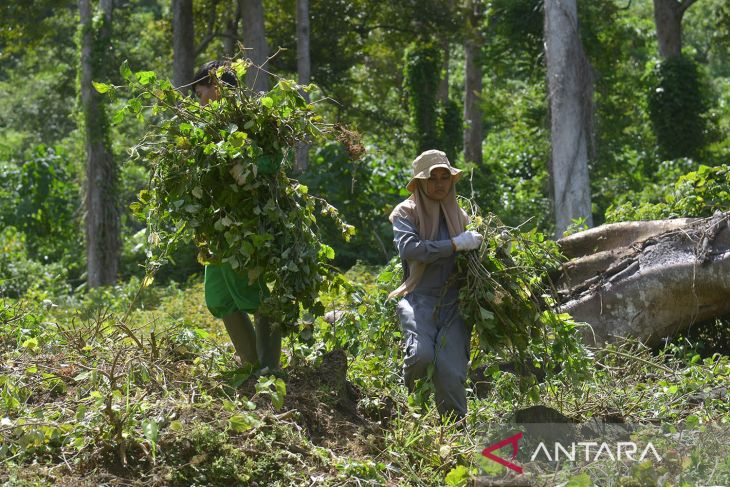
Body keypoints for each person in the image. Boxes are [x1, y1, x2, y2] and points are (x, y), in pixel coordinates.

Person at [191, 60, 281, 372]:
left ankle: (269, 369)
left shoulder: (252, 119)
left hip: (247, 222)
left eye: (201, 95)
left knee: (250, 293)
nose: (199, 103)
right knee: (218, 296)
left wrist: (252, 168)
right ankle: (252, 365)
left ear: (217, 89)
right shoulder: (202, 130)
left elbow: (275, 159)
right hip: (215, 223)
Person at [389, 149, 483, 419]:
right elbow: (410, 249)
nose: (440, 183)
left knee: (451, 371)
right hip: (420, 298)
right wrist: (454, 244)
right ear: (420, 182)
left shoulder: (460, 216)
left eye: (445, 177)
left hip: (455, 303)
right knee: (421, 356)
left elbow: (476, 253)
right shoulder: (406, 213)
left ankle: (453, 433)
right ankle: (410, 415)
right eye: (432, 178)